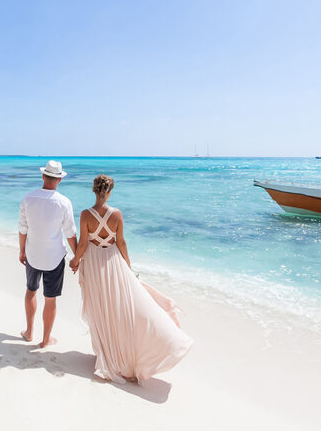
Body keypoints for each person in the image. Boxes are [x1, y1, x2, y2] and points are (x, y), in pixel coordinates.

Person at [70, 174, 193, 383]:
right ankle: (123, 356)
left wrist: (75, 261)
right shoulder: (117, 214)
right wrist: (127, 266)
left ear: (93, 190)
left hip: (93, 264)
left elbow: (83, 244)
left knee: (101, 309)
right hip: (113, 262)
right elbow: (121, 243)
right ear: (109, 192)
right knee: (121, 307)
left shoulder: (85, 214)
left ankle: (107, 354)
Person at [18, 160, 78, 348]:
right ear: (59, 180)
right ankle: (45, 340)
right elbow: (70, 233)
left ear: (43, 176)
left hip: (33, 254)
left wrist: (21, 250)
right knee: (50, 299)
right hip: (54, 257)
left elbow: (22, 228)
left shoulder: (28, 198)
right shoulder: (64, 202)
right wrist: (77, 257)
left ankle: (29, 332)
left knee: (30, 292)